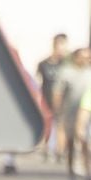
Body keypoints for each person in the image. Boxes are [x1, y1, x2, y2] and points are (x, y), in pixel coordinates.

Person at [56, 47, 91, 180]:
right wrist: (58, 112)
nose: (86, 60)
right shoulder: (66, 72)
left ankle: (88, 174)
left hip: (88, 115)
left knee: (86, 144)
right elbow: (58, 92)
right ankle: (71, 175)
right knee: (70, 146)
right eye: (83, 56)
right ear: (76, 57)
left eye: (88, 57)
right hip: (71, 113)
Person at [36, 35, 72, 165]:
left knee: (61, 124)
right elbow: (38, 81)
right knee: (47, 124)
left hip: (63, 99)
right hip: (47, 97)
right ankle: (46, 148)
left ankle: (60, 151)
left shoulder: (67, 64)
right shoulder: (43, 64)